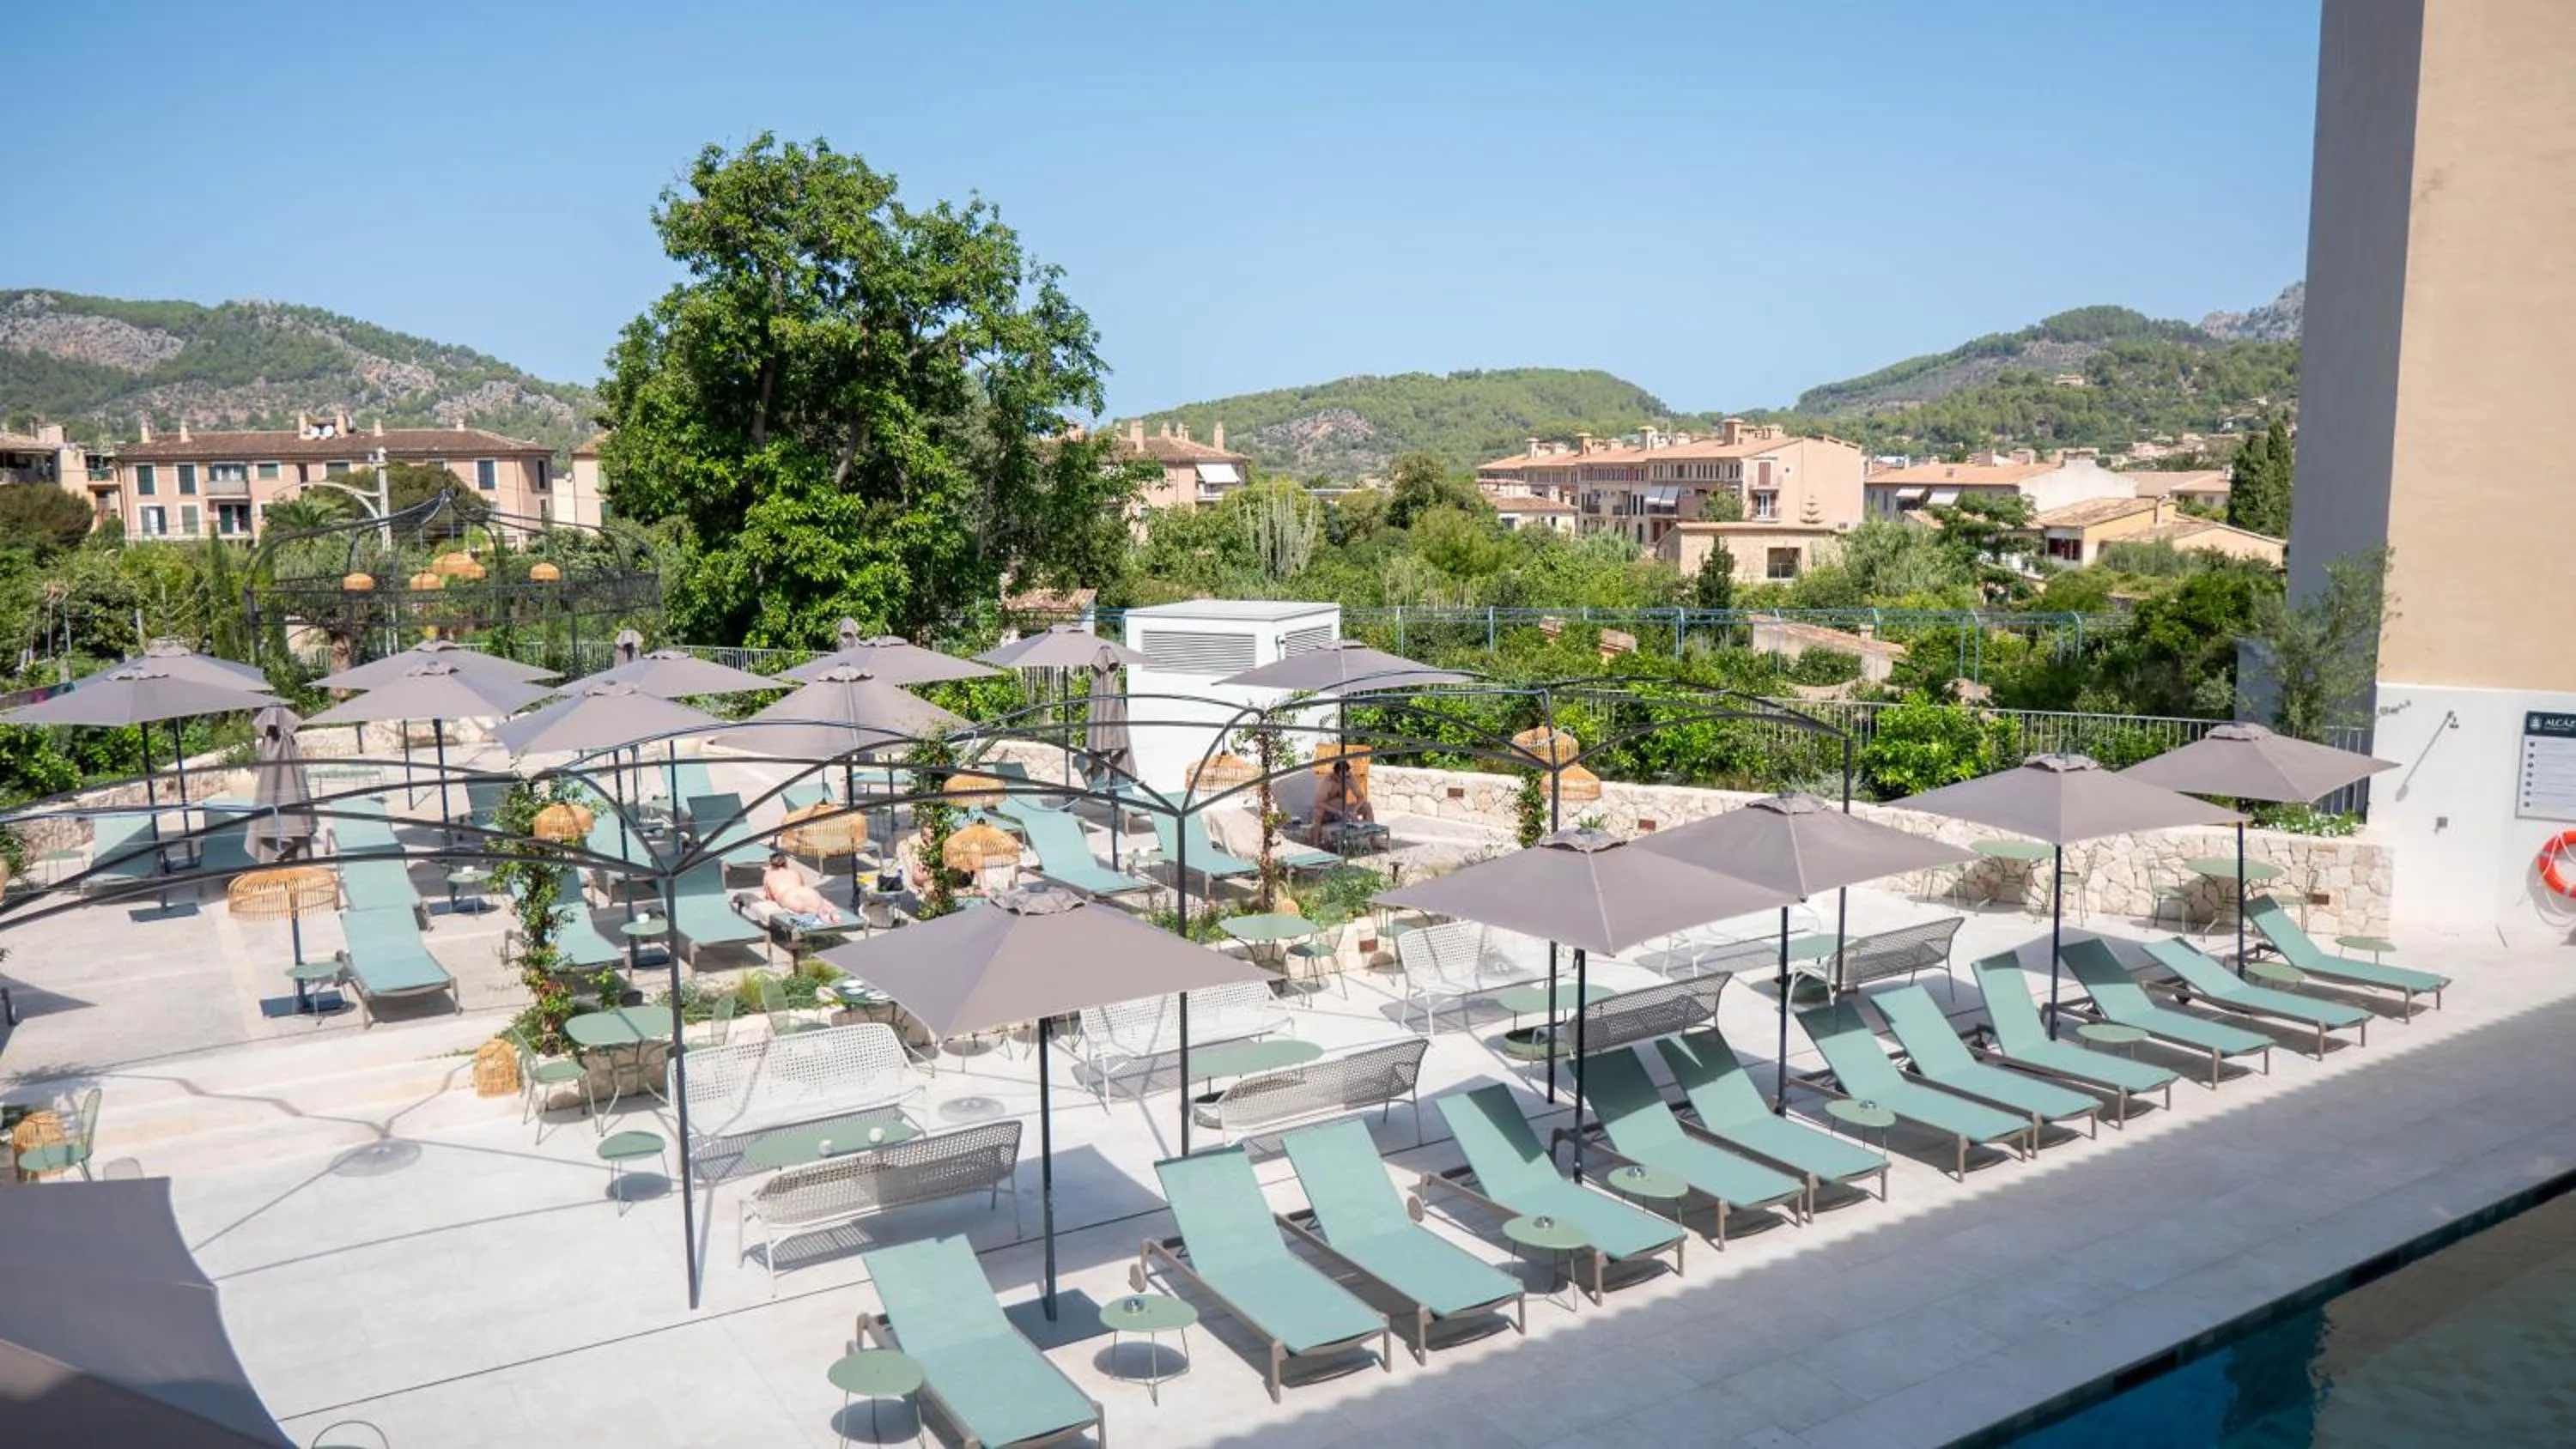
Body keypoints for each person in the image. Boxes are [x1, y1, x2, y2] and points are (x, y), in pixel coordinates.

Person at [762, 852, 845, 927]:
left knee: (808, 909)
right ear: (786, 862)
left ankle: (824, 915)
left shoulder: (768, 875)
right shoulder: (794, 872)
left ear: (771, 863)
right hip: (805, 890)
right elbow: (802, 885)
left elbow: (770, 897)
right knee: (819, 905)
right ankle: (829, 913)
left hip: (787, 896)